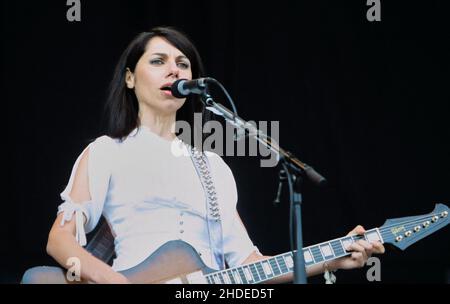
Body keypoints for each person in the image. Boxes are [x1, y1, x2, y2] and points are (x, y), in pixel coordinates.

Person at [24, 26, 384, 284]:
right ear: (131, 79)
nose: (174, 70)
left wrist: (333, 257)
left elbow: (250, 264)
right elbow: (59, 240)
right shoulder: (106, 152)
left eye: (183, 64)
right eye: (159, 61)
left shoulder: (213, 166)